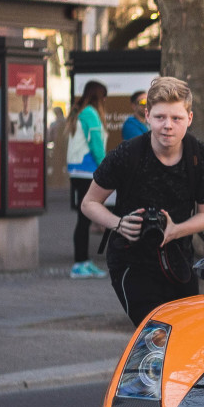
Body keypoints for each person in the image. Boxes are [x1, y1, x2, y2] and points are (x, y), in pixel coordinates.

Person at [80, 77, 204, 326]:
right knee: (154, 330)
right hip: (130, 261)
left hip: (178, 258)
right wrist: (118, 223)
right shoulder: (127, 154)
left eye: (176, 118)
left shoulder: (202, 158)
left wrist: (176, 229)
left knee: (185, 332)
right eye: (160, 117)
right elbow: (89, 203)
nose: (167, 125)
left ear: (189, 119)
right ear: (147, 116)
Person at [66, 80, 110, 280]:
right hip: (87, 170)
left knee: (83, 219)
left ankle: (83, 261)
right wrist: (106, 167)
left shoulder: (79, 112)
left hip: (77, 170)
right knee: (84, 220)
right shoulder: (90, 113)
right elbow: (96, 143)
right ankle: (79, 264)